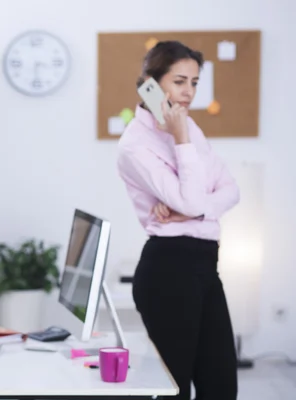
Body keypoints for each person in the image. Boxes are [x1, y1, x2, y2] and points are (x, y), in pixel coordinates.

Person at [117, 41, 240, 400]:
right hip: (168, 271)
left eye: (195, 83)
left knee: (221, 386)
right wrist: (181, 138)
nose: (189, 93)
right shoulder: (135, 145)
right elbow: (192, 197)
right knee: (174, 391)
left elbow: (232, 190)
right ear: (151, 84)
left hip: (204, 266)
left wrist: (195, 209)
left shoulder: (190, 127)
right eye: (180, 81)